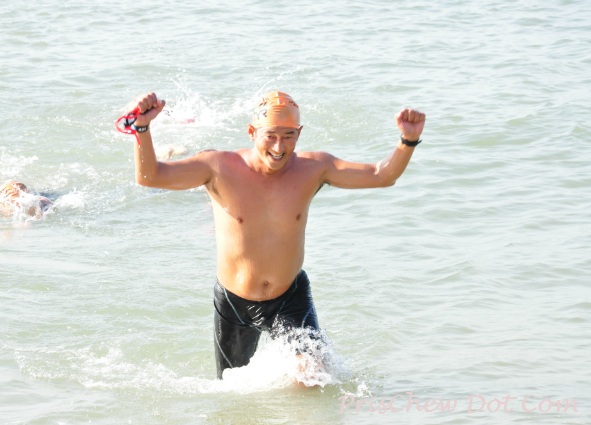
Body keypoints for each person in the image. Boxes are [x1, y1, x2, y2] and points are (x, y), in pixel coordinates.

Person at [127, 91, 425, 381]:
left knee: (312, 376)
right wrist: (142, 128)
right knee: (231, 392)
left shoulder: (314, 168)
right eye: (270, 135)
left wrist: (408, 140)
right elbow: (149, 177)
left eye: (289, 136)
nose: (279, 147)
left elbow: (382, 175)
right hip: (234, 302)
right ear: (252, 132)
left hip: (289, 298)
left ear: (299, 133)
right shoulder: (217, 166)